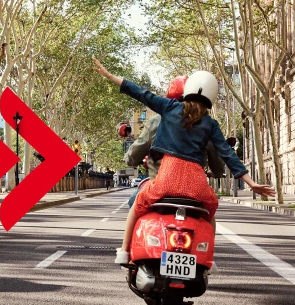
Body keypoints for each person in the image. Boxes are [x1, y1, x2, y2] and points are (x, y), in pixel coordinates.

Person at [91, 57, 275, 264]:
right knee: (209, 212)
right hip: (196, 184)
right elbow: (227, 153)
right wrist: (251, 183)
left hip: (167, 177)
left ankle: (124, 251)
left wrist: (110, 76)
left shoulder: (169, 108)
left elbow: (141, 93)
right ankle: (208, 260)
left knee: (137, 205)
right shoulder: (211, 124)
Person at [124, 76, 226, 207]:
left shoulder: (155, 121)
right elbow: (218, 166)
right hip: (194, 191)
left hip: (160, 186)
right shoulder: (207, 124)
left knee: (133, 202)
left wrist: (130, 158)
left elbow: (135, 153)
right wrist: (216, 172)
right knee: (209, 212)